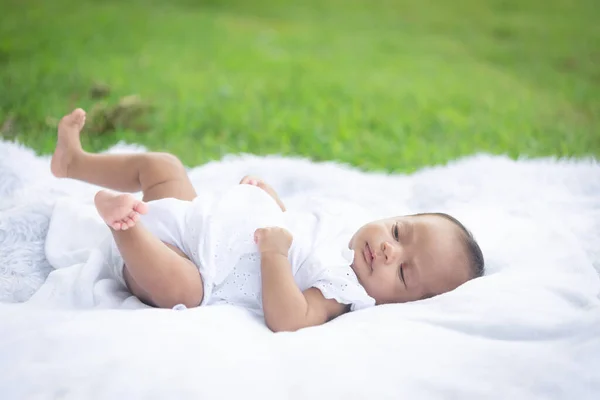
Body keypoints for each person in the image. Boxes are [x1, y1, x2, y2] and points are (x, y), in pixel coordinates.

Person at [51, 108, 485, 332]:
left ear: (399, 304)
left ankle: (124, 225)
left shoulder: (343, 289)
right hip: (193, 219)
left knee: (182, 288)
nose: (390, 250)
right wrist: (268, 199)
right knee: (162, 166)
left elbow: (290, 319)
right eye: (398, 232)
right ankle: (74, 162)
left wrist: (275, 257)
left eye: (404, 272)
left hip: (191, 266)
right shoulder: (344, 223)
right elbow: (295, 221)